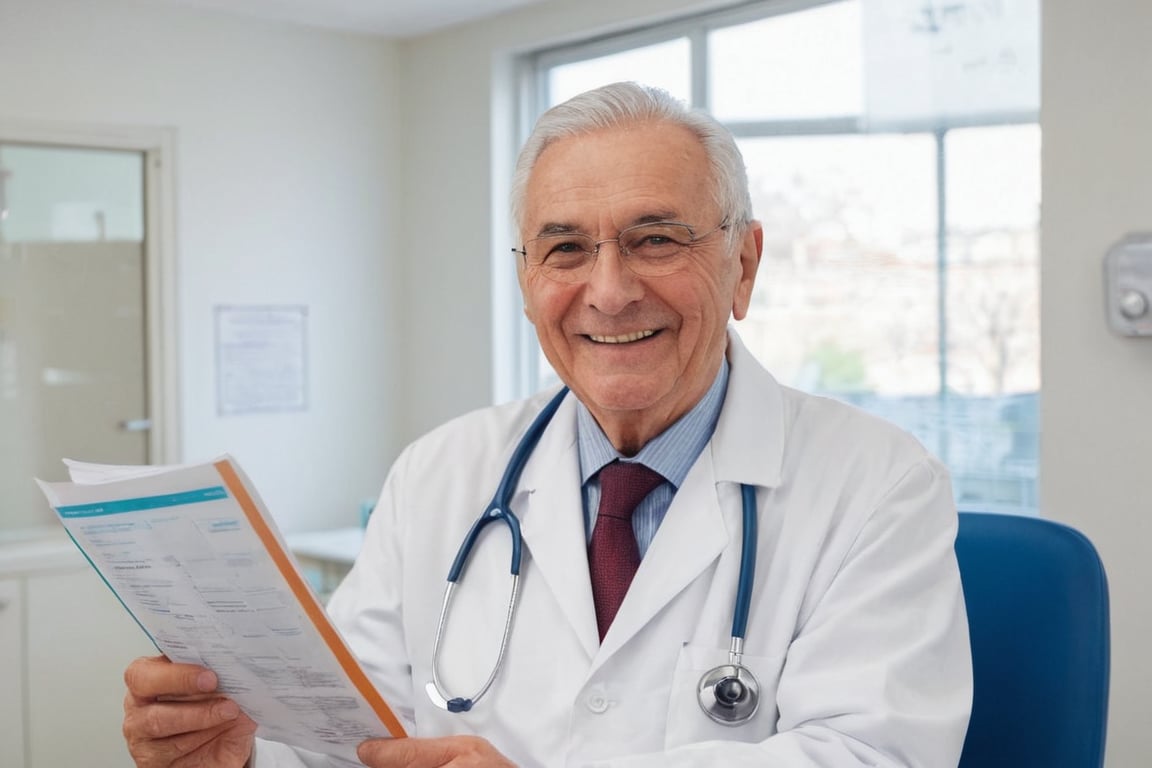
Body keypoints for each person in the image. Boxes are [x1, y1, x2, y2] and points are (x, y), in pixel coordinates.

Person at [121, 82, 972, 767]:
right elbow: (343, 738)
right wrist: (238, 757)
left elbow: (872, 752)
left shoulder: (877, 486)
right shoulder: (439, 474)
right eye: (565, 249)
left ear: (742, 264)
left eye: (655, 238)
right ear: (527, 283)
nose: (608, 289)